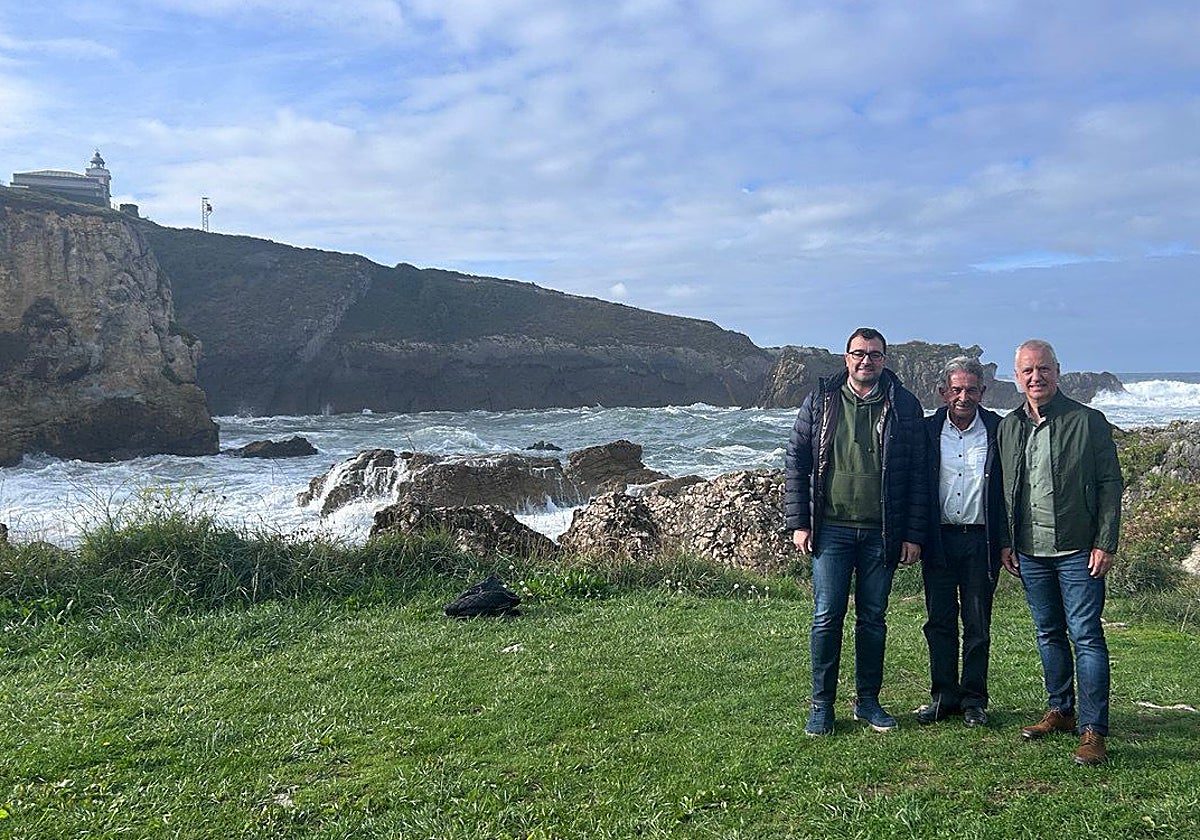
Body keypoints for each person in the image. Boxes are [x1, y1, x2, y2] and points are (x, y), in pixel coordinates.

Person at [784, 327, 928, 736]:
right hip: (830, 531)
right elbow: (796, 461)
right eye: (859, 353)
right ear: (846, 357)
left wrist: (913, 534)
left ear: (885, 359)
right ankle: (821, 706)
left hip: (882, 533)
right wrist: (799, 522)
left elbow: (918, 473)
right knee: (827, 616)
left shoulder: (904, 405)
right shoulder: (822, 400)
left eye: (875, 355)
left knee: (873, 619)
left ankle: (868, 702)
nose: (867, 361)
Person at [997, 339, 1122, 766]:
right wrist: (1005, 542)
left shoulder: (1089, 421)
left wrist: (1106, 540)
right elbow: (1003, 492)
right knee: (1047, 633)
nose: (1037, 377)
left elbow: (1109, 485)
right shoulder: (1008, 426)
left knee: (1086, 637)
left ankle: (1094, 730)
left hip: (1078, 549)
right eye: (1028, 371)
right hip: (1030, 551)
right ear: (1017, 378)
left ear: (1057, 371)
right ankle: (1061, 711)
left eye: (1044, 369)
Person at [917, 357, 1004, 728]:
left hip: (981, 540)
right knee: (939, 621)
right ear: (943, 393)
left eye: (971, 389)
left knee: (977, 623)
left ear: (982, 392)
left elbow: (1010, 492)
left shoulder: (1001, 430)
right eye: (956, 389)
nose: (963, 396)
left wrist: (1007, 541)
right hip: (938, 538)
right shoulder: (926, 430)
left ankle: (974, 699)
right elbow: (914, 486)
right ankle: (943, 696)